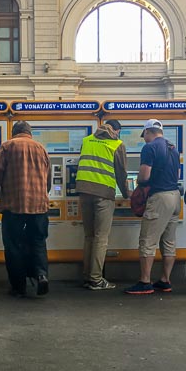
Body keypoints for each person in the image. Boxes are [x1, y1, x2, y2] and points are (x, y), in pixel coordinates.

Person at [0, 121, 51, 298]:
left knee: (13, 245)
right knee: (38, 241)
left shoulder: (7, 146)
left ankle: (18, 286)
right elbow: (48, 181)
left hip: (12, 205)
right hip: (39, 205)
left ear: (14, 132)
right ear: (29, 133)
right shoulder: (41, 148)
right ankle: (41, 275)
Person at [124, 119, 182, 295]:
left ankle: (145, 282)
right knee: (169, 241)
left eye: (145, 136)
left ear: (148, 132)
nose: (144, 139)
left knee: (147, 241)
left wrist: (137, 185)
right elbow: (177, 173)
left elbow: (143, 176)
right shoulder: (173, 148)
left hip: (159, 198)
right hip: (175, 196)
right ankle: (165, 280)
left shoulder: (150, 148)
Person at [76, 119, 128, 290]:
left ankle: (87, 276)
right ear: (116, 130)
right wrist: (127, 194)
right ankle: (96, 279)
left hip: (84, 191)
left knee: (89, 236)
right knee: (101, 237)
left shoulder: (87, 140)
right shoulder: (117, 144)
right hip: (103, 193)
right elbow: (121, 173)